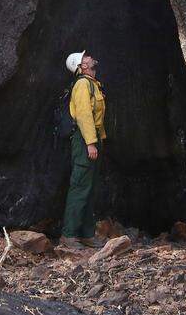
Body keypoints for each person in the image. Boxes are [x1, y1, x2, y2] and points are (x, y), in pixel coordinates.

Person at [60, 50, 106, 250]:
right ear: (82, 66)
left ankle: (86, 234)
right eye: (85, 58)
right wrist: (90, 143)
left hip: (93, 138)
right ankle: (68, 235)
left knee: (90, 187)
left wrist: (97, 140)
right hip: (84, 139)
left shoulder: (93, 84)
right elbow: (84, 114)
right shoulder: (82, 85)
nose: (89, 58)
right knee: (80, 186)